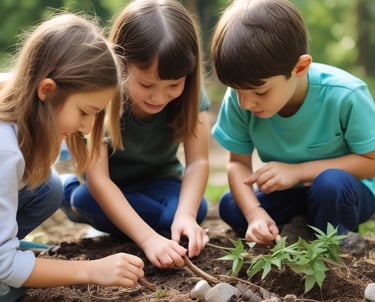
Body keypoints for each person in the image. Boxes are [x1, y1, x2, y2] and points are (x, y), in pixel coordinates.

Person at [0, 13, 144, 302]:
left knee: (48, 188)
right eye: (84, 112)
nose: (88, 127)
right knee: (12, 287)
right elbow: (4, 267)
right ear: (47, 91)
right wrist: (91, 271)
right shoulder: (4, 151)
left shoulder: (14, 95)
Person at [211, 0, 375, 248]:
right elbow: (237, 164)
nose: (245, 103)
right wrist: (255, 214)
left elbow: (371, 163)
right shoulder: (241, 96)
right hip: (293, 194)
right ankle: (298, 228)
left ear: (300, 67)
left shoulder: (345, 95)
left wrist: (297, 171)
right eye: (236, 90)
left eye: (260, 92)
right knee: (232, 205)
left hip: (347, 191)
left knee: (331, 183)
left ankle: (338, 240)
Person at [62, 0, 211, 269]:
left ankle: (126, 224)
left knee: (194, 209)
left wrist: (185, 215)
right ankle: (84, 199)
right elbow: (99, 181)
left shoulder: (191, 96)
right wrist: (148, 240)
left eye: (173, 85)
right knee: (83, 199)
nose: (159, 96)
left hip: (160, 181)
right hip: (106, 187)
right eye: (146, 84)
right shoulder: (100, 95)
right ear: (120, 63)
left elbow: (198, 162)